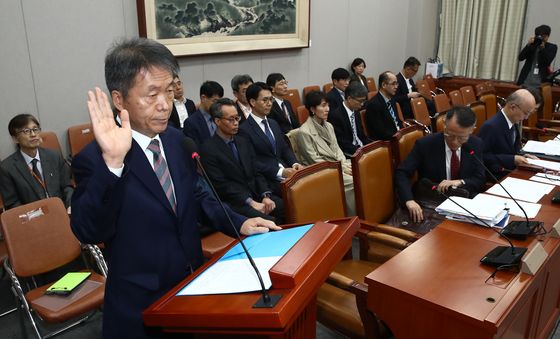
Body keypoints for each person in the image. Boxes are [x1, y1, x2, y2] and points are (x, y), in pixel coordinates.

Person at [70, 38, 279, 339]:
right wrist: (113, 164)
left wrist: (240, 221)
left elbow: (197, 194)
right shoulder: (95, 159)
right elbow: (88, 229)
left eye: (169, 91)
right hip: (141, 306)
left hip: (190, 289)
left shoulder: (176, 140)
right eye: (151, 94)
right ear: (119, 99)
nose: (164, 104)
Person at [395, 106, 486, 223]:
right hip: (433, 205)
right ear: (445, 125)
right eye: (450, 135)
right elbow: (402, 172)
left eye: (461, 138)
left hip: (464, 205)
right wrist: (409, 200)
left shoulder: (476, 144)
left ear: (472, 130)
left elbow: (480, 178)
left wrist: (460, 181)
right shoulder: (425, 144)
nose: (454, 142)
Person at [200, 98, 284, 223]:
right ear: (217, 121)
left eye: (237, 118)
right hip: (235, 202)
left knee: (284, 207)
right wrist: (250, 202)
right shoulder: (208, 149)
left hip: (256, 194)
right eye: (230, 119)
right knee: (270, 221)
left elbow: (256, 171)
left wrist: (265, 195)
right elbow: (222, 186)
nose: (236, 123)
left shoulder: (242, 141)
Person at [294, 91, 356, 216]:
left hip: (338, 165)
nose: (327, 109)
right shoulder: (304, 132)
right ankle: (355, 216)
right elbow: (314, 160)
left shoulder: (329, 126)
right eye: (323, 106)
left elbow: (337, 150)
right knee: (355, 181)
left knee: (363, 171)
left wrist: (344, 165)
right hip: (320, 171)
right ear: (312, 109)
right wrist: (341, 168)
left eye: (327, 105)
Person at [239, 82, 302, 196]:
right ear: (252, 102)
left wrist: (294, 163)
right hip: (268, 180)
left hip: (287, 174)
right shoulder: (244, 130)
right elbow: (252, 162)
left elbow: (284, 149)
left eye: (271, 100)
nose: (269, 104)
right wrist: (280, 172)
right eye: (265, 100)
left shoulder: (273, 123)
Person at [0, 114, 73, 210]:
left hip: (61, 211)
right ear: (15, 138)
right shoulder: (7, 168)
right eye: (26, 131)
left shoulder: (54, 156)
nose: (33, 134)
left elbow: (67, 186)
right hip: (33, 219)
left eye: (35, 129)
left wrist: (70, 206)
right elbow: (12, 203)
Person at [478, 89, 539, 177]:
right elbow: (481, 157)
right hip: (497, 176)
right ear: (513, 107)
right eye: (525, 113)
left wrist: (523, 156)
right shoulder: (491, 126)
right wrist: (512, 159)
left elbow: (512, 151)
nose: (526, 118)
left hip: (511, 171)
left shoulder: (513, 121)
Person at [327, 81, 371, 157]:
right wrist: (361, 151)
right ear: (349, 98)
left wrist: (370, 147)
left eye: (364, 101)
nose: (362, 104)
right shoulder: (335, 116)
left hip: (361, 149)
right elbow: (343, 143)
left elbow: (362, 135)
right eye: (360, 101)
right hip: (349, 154)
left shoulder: (356, 111)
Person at [182, 80, 224, 146]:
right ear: (203, 98)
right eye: (214, 101)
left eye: (219, 102)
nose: (217, 105)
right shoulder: (191, 123)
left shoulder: (221, 118)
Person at [364, 71, 403, 140]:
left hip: (398, 136)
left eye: (397, 83)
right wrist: (397, 137)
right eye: (393, 84)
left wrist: (403, 132)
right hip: (387, 141)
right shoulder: (374, 104)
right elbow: (379, 132)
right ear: (384, 85)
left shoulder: (392, 100)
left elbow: (397, 121)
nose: (396, 87)